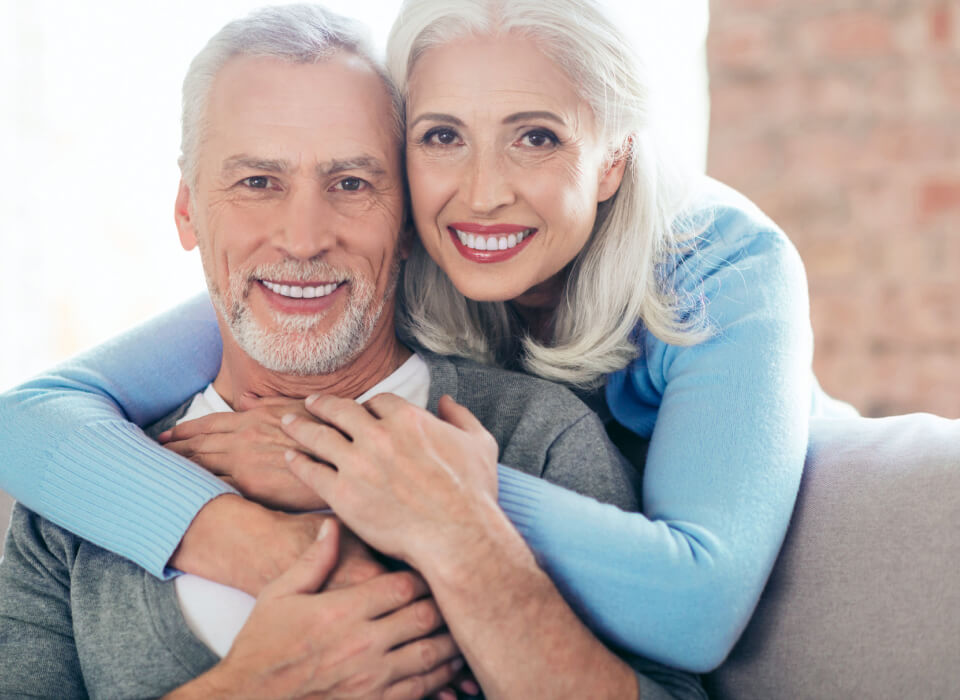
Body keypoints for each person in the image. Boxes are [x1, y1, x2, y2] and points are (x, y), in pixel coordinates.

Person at [0, 0, 854, 678]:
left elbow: (697, 609)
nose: (482, 193)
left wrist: (386, 483)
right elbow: (34, 414)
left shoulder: (719, 270)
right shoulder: (358, 258)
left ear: (612, 157)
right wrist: (253, 543)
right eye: (442, 136)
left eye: (537, 136)